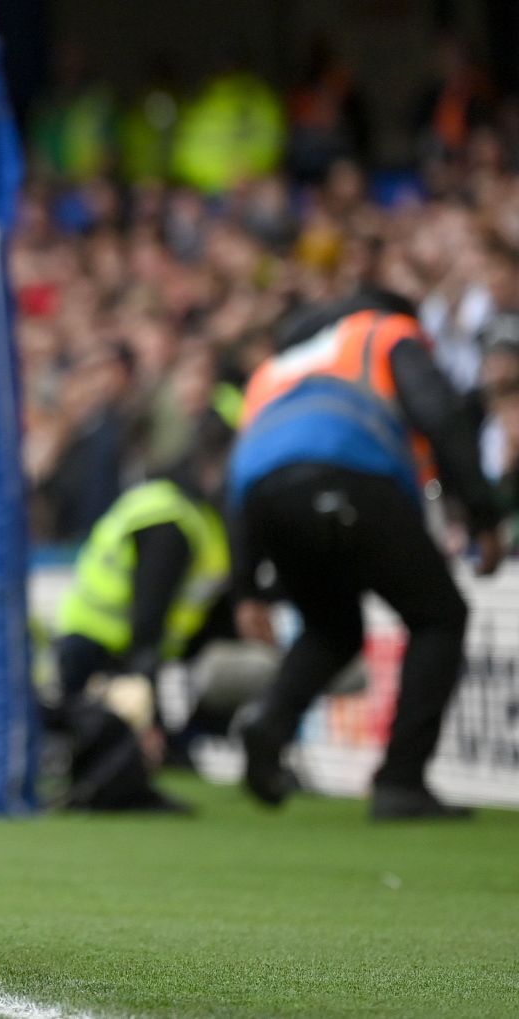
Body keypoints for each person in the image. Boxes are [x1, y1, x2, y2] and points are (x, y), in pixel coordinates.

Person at [228, 288, 505, 821]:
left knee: (332, 626)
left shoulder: (273, 372)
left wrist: (246, 587)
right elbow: (439, 414)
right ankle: (401, 781)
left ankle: (269, 722)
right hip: (349, 470)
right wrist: (482, 513)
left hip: (265, 499)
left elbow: (241, 474)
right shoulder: (385, 331)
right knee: (439, 616)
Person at [52, 410, 243, 743]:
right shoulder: (170, 518)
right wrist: (149, 714)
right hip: (100, 651)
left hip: (109, 647)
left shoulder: (191, 514)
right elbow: (148, 620)